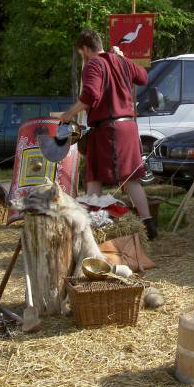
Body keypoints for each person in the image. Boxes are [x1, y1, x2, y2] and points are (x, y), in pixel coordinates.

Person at [60, 29, 157, 239]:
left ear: (86, 49)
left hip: (109, 129)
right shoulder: (121, 61)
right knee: (127, 177)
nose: (83, 58)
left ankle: (92, 228)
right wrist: (123, 58)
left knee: (97, 175)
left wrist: (69, 113)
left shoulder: (93, 64)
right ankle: (148, 224)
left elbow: (90, 94)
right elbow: (143, 76)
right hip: (128, 127)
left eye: (81, 53)